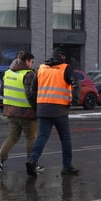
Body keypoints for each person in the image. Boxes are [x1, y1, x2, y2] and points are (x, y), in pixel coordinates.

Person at [26, 47, 79, 176]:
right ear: (62, 56)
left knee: (42, 137)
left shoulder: (41, 68)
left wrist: (36, 106)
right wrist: (74, 101)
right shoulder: (66, 68)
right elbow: (76, 83)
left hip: (43, 109)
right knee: (65, 139)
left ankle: (32, 160)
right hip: (60, 110)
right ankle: (67, 167)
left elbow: (32, 91)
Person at [0, 51, 41, 173]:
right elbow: (31, 95)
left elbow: (3, 91)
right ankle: (32, 163)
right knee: (31, 138)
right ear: (26, 61)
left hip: (11, 112)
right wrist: (37, 109)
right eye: (31, 62)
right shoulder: (28, 74)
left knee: (12, 137)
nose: (32, 64)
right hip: (27, 114)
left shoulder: (7, 73)